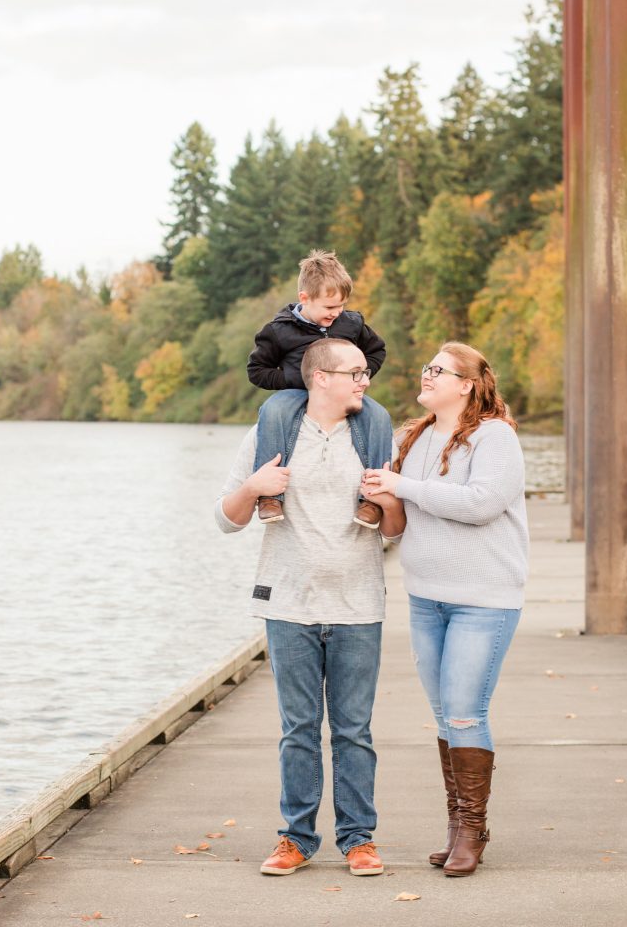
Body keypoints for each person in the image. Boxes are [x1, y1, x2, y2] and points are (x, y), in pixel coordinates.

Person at [216, 337, 405, 877]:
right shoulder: (270, 431)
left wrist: (389, 499)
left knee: (353, 731)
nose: (365, 381)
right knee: (299, 728)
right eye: (355, 373)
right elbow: (226, 519)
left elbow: (393, 531)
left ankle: (358, 839)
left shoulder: (372, 433)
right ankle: (295, 838)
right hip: (288, 603)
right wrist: (255, 485)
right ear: (320, 376)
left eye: (366, 373)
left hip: (359, 604)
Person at [362, 341, 528, 878]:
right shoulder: (414, 437)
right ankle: (458, 826)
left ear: (467, 385)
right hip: (426, 596)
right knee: (443, 715)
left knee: (464, 712)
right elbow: (405, 505)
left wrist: (403, 485)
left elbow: (481, 504)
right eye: (428, 367)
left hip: (483, 598)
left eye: (439, 369)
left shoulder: (494, 436)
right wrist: (384, 495)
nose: (427, 374)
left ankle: (473, 831)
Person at [247, 249, 391, 529]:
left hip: (344, 394)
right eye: (329, 308)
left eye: (341, 305)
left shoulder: (351, 323)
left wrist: (357, 376)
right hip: (297, 393)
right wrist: (292, 379)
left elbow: (377, 350)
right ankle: (270, 496)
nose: (336, 313)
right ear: (305, 298)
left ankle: (372, 498)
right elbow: (257, 371)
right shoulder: (279, 330)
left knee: (380, 416)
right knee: (272, 409)